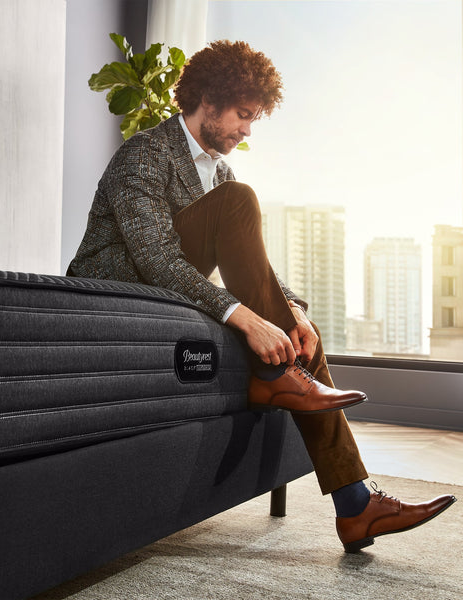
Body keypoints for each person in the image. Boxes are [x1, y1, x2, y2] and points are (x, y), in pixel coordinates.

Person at [68, 40, 456, 552]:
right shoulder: (145, 154)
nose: (247, 130)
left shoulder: (220, 172)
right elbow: (156, 261)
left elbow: (254, 267)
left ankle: (355, 502)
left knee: (299, 337)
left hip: (167, 291)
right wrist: (246, 318)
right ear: (208, 99)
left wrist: (292, 310)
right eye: (243, 115)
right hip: (116, 294)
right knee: (240, 204)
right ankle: (344, 483)